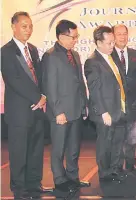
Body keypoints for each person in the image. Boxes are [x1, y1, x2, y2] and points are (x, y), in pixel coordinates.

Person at [1, 11, 52, 199]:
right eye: (24, 26)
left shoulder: (33, 49)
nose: (28, 29)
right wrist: (37, 98)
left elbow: (40, 77)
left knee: (36, 151)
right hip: (19, 112)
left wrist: (44, 96)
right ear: (13, 27)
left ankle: (33, 184)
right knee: (18, 153)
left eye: (30, 26)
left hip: (37, 110)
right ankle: (19, 189)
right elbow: (14, 79)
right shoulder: (6, 51)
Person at [42, 20, 90, 192]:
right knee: (59, 148)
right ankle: (60, 180)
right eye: (72, 37)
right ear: (61, 36)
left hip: (76, 109)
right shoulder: (51, 55)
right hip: (61, 112)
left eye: (77, 37)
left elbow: (79, 83)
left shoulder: (75, 54)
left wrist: (85, 105)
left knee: (74, 148)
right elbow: (50, 86)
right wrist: (57, 111)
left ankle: (72, 177)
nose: (75, 40)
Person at [84, 25, 128, 182]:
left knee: (117, 142)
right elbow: (94, 90)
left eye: (113, 42)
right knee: (105, 144)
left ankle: (116, 169)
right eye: (109, 43)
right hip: (106, 112)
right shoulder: (92, 62)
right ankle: (105, 173)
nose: (112, 46)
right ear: (98, 42)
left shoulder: (111, 57)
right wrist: (103, 112)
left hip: (119, 108)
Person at [111, 24, 136, 172]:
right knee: (117, 137)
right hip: (115, 104)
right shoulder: (108, 55)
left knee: (131, 135)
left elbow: (135, 78)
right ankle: (116, 167)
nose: (122, 37)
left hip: (131, 102)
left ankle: (131, 165)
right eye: (119, 34)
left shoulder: (134, 53)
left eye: (125, 34)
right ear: (113, 36)